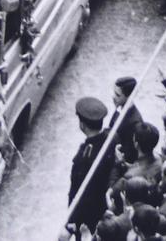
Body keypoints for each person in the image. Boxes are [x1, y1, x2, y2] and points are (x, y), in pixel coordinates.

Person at [68, 96, 114, 237]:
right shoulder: (110, 138)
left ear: (82, 124)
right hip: (103, 204)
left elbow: (78, 190)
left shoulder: (85, 157)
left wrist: (71, 220)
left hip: (87, 213)